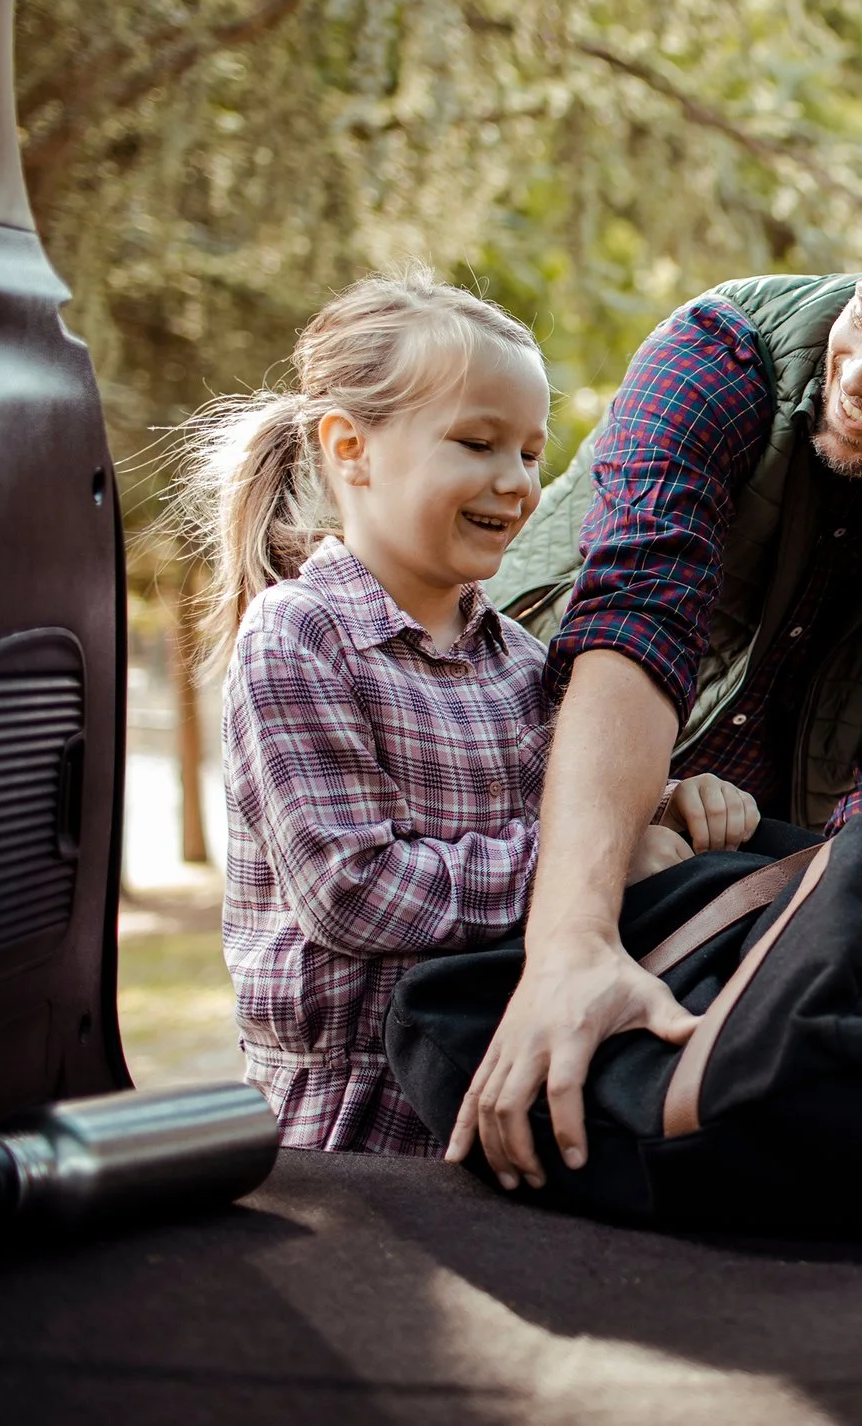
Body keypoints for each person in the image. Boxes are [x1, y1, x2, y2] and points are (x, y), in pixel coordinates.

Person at [448, 172, 862, 1189]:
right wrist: (571, 946)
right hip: (531, 829)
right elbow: (633, 632)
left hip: (726, 881)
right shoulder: (713, 359)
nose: (859, 372)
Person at [184, 272, 708, 1154]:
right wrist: (602, 863)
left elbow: (575, 807)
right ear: (350, 447)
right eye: (477, 443)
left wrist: (671, 806)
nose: (516, 484)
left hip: (484, 1078)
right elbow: (352, 891)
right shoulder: (300, 637)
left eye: (533, 455)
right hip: (340, 1123)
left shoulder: (529, 663)